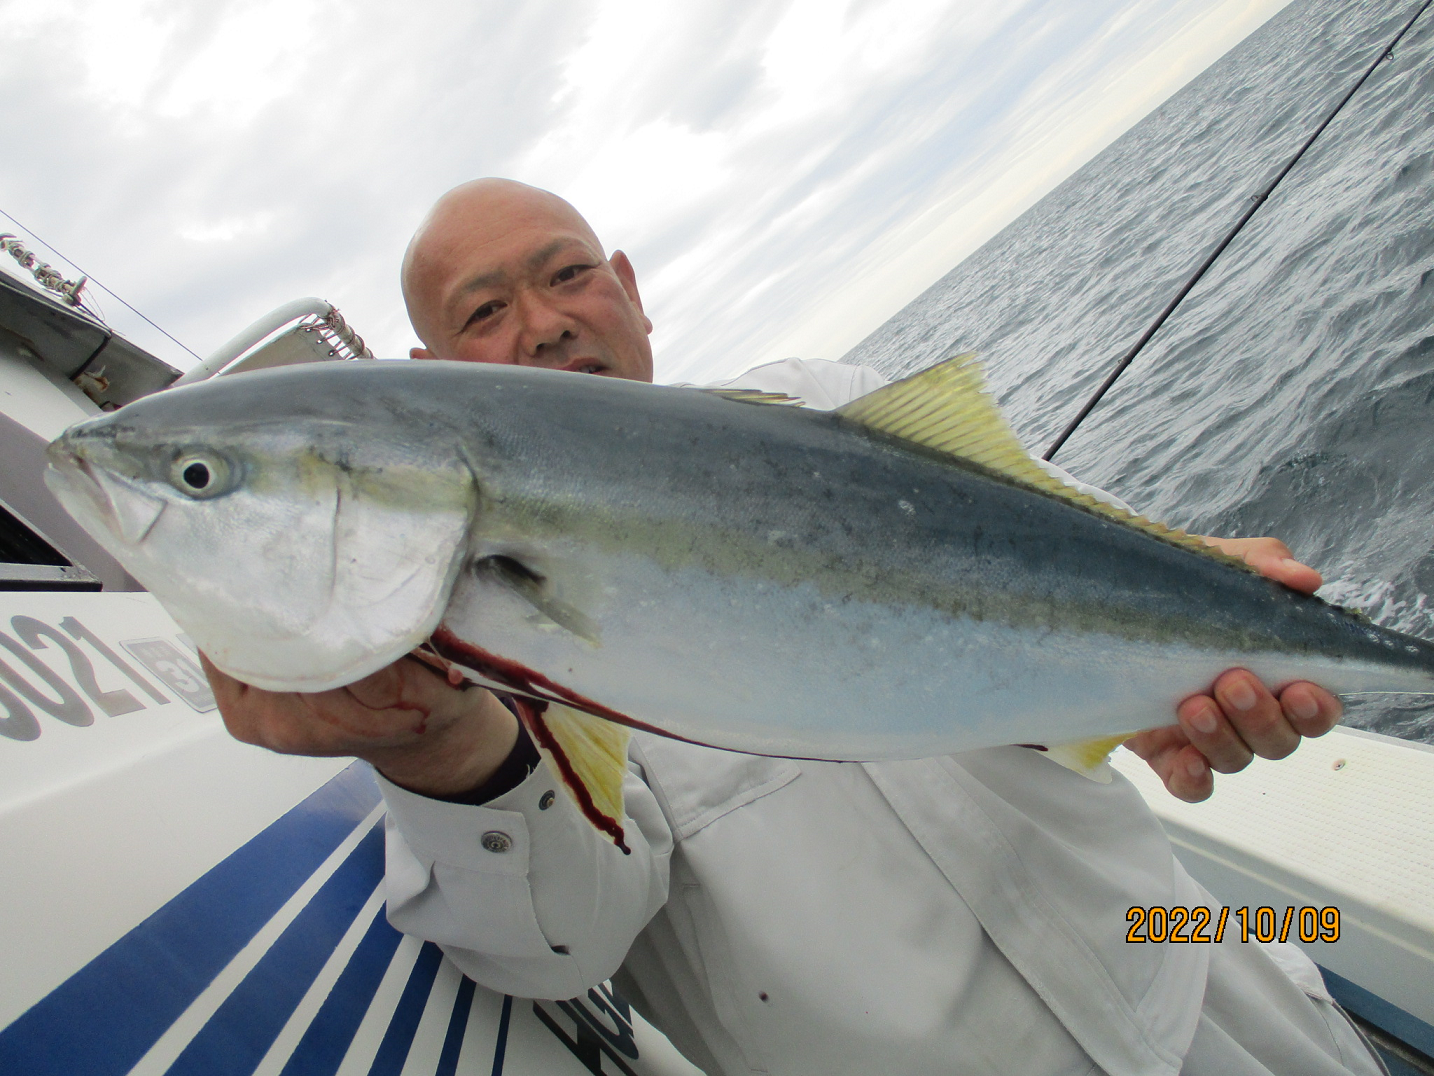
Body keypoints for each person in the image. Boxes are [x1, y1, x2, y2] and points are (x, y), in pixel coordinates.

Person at [204, 180, 1378, 1075]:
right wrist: (440, 751)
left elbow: (1062, 562)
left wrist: (1176, 656)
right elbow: (558, 947)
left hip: (1198, 973)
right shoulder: (472, 668)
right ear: (433, 375)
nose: (547, 324)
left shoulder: (820, 404)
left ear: (626, 283)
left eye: (565, 275)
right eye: (487, 312)